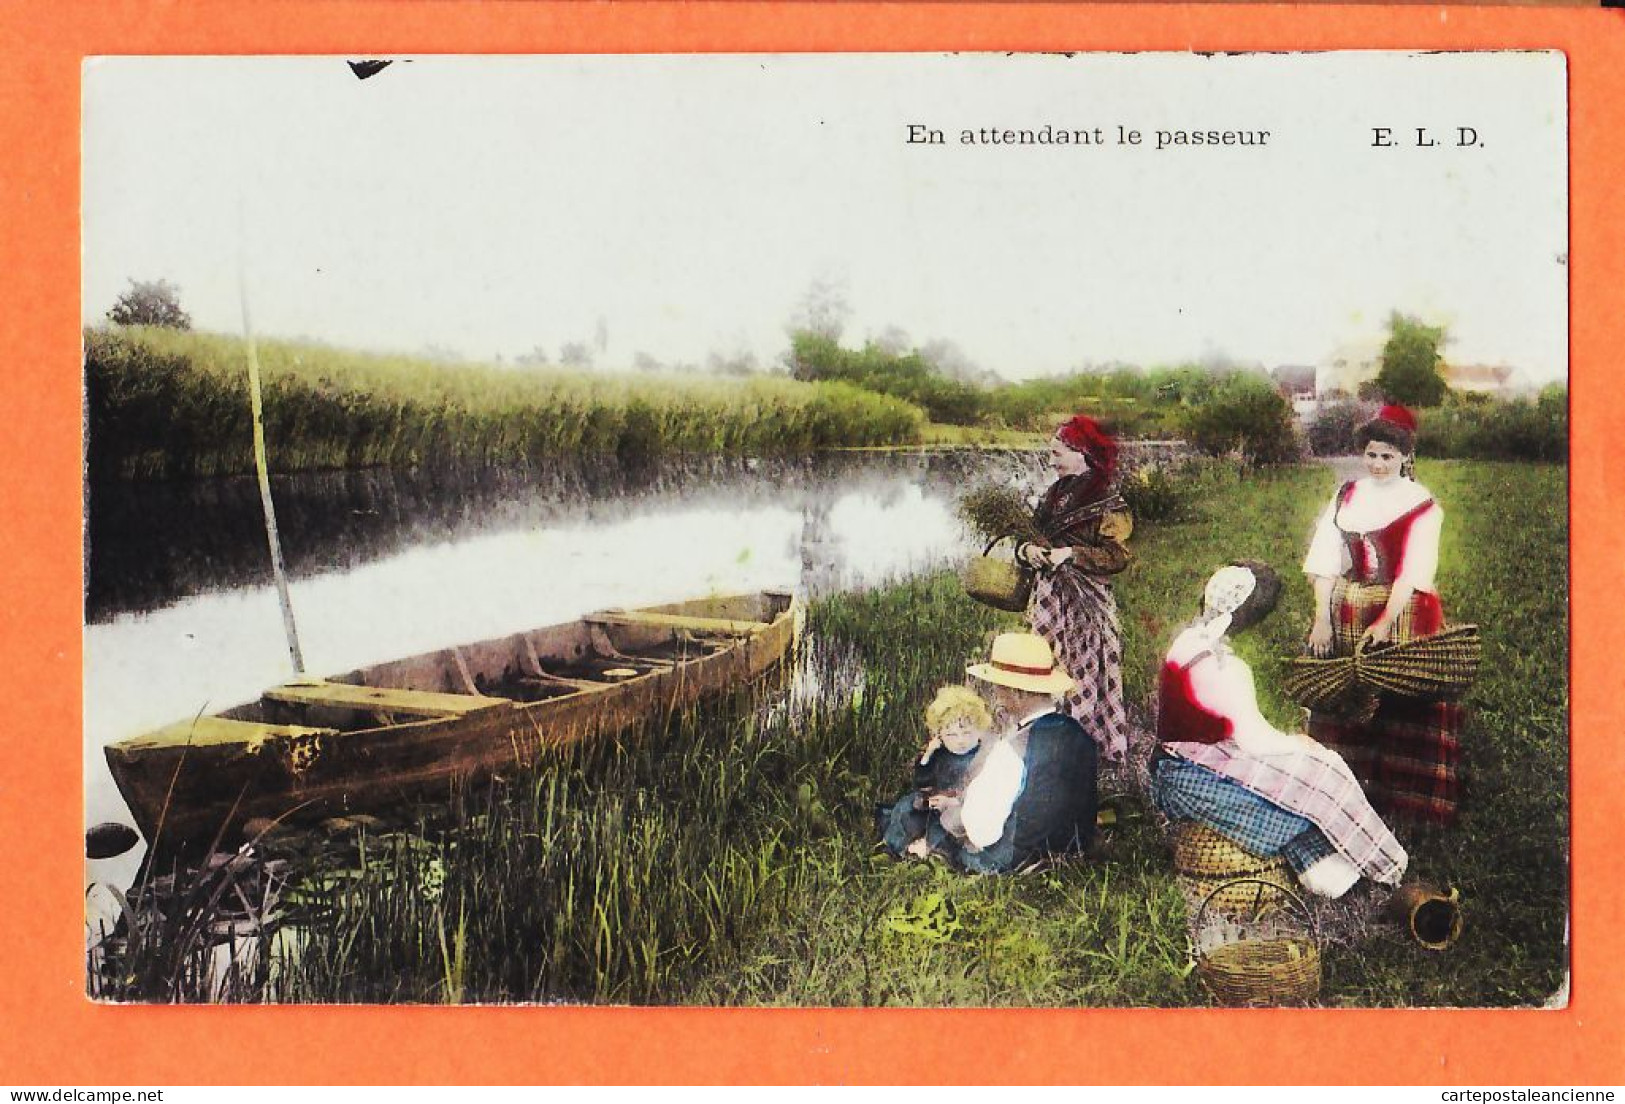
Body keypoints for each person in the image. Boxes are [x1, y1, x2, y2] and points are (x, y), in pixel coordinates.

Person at [1153, 561, 1408, 897]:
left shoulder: (1186, 642)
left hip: (1174, 763)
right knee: (1319, 775)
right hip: (1187, 779)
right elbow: (1254, 740)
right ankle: (1371, 868)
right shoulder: (1226, 668)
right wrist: (1301, 744)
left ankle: (1346, 867)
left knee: (1302, 780)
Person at [1302, 404, 1463, 826]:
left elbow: (1413, 572)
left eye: (1387, 457)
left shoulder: (1422, 504)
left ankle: (1407, 804)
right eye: (1371, 454)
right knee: (1347, 695)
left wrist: (1385, 622)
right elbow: (1325, 560)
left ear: (1405, 457)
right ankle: (1345, 792)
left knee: (1402, 697)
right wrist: (1323, 617)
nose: (1377, 464)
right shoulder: (1346, 495)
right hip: (1349, 606)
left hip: (1403, 608)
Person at [1014, 414, 1133, 764]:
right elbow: (1028, 536)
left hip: (1087, 601)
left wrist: (1072, 554)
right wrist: (1028, 551)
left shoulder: (1107, 499)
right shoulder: (1053, 494)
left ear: (1081, 452)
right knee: (1046, 667)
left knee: (1084, 672)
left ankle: (1085, 746)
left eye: (1057, 454)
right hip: (1051, 601)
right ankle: (1048, 741)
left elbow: (1118, 555)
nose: (1051, 462)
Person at [941, 632, 1100, 874]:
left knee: (942, 831)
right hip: (1073, 851)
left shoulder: (1013, 747)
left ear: (1018, 693)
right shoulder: (1080, 735)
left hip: (1019, 859)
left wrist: (963, 823)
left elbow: (983, 831)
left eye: (999, 689)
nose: (996, 695)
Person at [877, 686, 998, 860]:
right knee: (905, 811)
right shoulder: (941, 753)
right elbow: (921, 781)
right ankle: (894, 848)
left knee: (944, 831)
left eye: (967, 733)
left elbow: (986, 794)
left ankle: (933, 853)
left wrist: (954, 802)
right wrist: (928, 755)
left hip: (960, 811)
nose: (961, 741)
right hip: (931, 804)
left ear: (980, 729)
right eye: (951, 735)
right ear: (939, 735)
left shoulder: (983, 757)